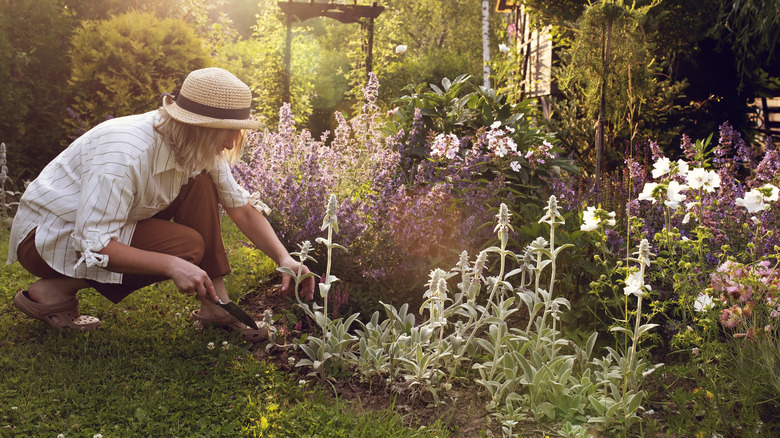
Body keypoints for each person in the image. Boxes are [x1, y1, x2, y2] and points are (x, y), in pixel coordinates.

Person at [6, 67, 314, 341]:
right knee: (185, 248)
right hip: (47, 238)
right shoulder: (126, 154)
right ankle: (56, 290)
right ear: (199, 126)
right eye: (227, 131)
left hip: (100, 226)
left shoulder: (192, 143)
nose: (232, 143)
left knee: (203, 183)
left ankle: (216, 306)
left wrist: (283, 257)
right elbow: (94, 244)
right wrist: (171, 264)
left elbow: (240, 208)